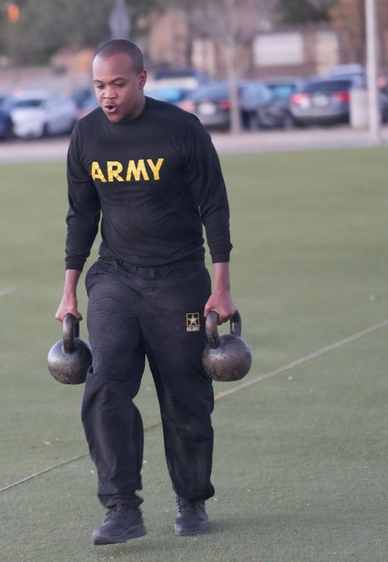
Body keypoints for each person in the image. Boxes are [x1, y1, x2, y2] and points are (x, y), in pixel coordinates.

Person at [55, 39, 237, 546]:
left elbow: (214, 209)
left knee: (185, 395)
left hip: (179, 279)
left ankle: (192, 496)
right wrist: (69, 292)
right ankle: (121, 507)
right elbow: (81, 216)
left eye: (116, 84)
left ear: (141, 79)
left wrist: (221, 288)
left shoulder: (181, 130)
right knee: (106, 382)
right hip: (115, 278)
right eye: (98, 86)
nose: (107, 96)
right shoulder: (86, 135)